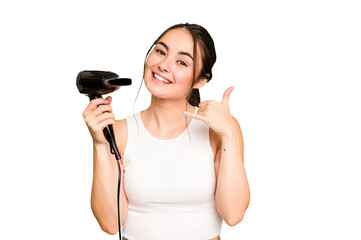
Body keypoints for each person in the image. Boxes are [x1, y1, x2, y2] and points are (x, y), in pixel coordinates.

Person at [82, 23, 250, 240]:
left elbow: (233, 214)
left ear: (200, 80)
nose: (163, 65)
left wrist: (229, 132)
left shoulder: (218, 130)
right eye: (160, 51)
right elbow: (111, 224)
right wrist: (100, 144)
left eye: (181, 62)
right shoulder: (120, 132)